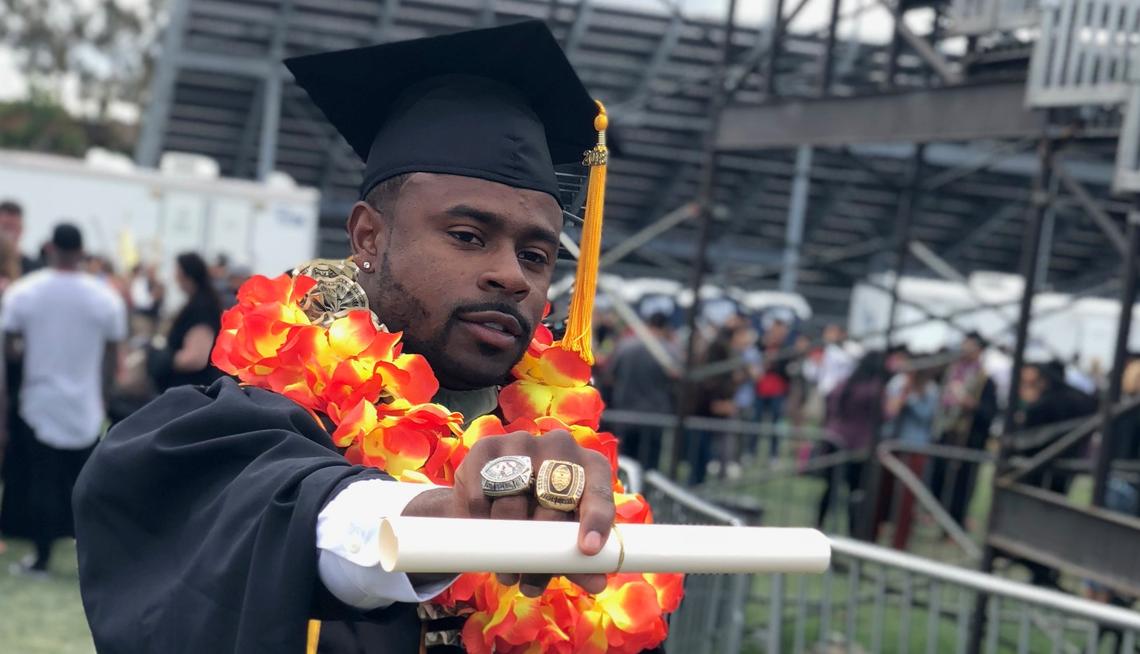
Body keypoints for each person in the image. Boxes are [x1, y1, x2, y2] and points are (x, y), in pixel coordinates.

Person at [74, 22, 622, 654]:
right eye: (468, 235)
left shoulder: (564, 455)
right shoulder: (246, 423)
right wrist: (447, 520)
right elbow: (280, 510)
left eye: (536, 254)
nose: (511, 274)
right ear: (368, 237)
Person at [0, 224, 126, 574]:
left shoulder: (25, 292)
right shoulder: (105, 298)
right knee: (85, 487)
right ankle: (96, 561)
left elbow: (9, 348)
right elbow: (111, 356)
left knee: (41, 483)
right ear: (83, 251)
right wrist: (104, 397)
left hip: (39, 401)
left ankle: (41, 560)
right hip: (85, 406)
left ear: (51, 248)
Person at [929, 331, 998, 529]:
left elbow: (989, 413)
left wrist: (971, 404)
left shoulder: (985, 380)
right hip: (946, 434)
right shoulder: (951, 373)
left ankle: (955, 524)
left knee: (963, 485)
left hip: (969, 440)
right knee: (939, 478)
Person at [816, 351, 887, 533]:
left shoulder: (847, 382)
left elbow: (830, 401)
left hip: (837, 439)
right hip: (858, 446)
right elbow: (883, 415)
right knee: (855, 492)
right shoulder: (874, 388)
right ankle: (853, 530)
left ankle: (820, 523)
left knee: (831, 488)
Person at [880, 351, 939, 550]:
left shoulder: (929, 390)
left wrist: (911, 400)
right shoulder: (897, 384)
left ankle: (900, 542)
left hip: (915, 447)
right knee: (883, 492)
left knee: (907, 497)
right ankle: (877, 532)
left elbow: (927, 416)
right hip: (893, 443)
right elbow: (889, 411)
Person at [607, 312, 677, 471]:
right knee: (650, 466)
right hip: (655, 416)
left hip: (625, 414)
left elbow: (609, 375)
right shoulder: (668, 351)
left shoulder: (625, 346)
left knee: (625, 464)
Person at [149, 252, 223, 391]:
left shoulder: (201, 307)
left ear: (185, 274)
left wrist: (163, 359)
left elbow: (196, 358)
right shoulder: (201, 301)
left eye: (177, 272)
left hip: (191, 388)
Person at [0, 200, 41, 275]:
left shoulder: (35, 268)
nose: (9, 234)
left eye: (13, 227)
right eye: (5, 227)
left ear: (22, 229)